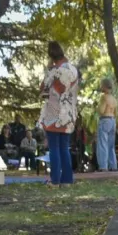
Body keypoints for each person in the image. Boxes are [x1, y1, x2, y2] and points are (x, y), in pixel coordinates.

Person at [38, 41, 79, 186]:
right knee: (64, 147)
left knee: (54, 147)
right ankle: (67, 180)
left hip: (54, 112)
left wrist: (49, 71)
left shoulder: (54, 71)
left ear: (51, 56)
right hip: (69, 113)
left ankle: (55, 180)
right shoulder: (73, 70)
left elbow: (43, 90)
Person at [96, 78, 118, 171]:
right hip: (112, 121)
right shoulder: (114, 99)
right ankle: (113, 166)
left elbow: (101, 111)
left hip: (105, 120)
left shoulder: (104, 97)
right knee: (111, 145)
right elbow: (116, 113)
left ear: (104, 86)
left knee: (102, 144)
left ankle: (103, 166)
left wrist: (96, 107)